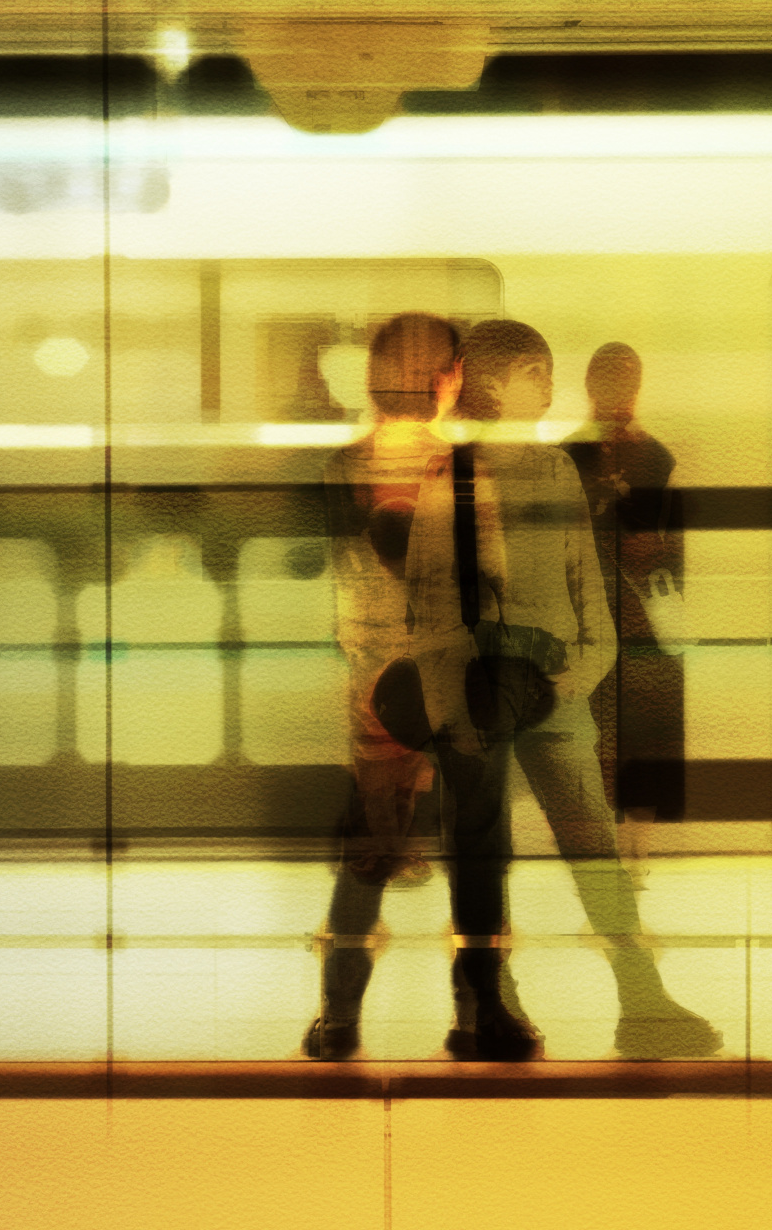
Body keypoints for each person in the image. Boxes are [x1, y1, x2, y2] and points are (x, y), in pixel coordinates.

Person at [407, 320, 720, 1061]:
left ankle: (640, 996)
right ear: (493, 384)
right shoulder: (449, 479)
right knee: (482, 852)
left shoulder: (555, 474)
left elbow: (589, 588)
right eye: (535, 373)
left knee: (593, 843)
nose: (550, 386)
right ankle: (488, 1001)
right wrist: (452, 707)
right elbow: (429, 608)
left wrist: (584, 668)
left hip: (557, 694)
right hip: (479, 699)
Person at [302, 312, 460, 1062]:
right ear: (443, 380)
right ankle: (476, 1014)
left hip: (374, 683)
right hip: (449, 680)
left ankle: (339, 1018)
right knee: (472, 855)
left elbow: (342, 575)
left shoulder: (344, 468)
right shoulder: (457, 469)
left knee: (367, 850)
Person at [562, 342, 689, 842]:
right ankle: (603, 838)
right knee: (592, 726)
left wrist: (649, 551)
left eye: (626, 384)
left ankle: (636, 843)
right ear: (590, 387)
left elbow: (674, 548)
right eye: (610, 383)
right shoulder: (565, 458)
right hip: (585, 616)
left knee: (639, 728)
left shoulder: (658, 458)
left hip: (637, 617)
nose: (619, 395)